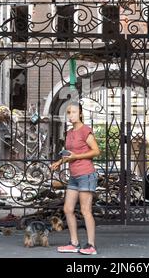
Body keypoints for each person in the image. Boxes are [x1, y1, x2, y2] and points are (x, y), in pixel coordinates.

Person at [51, 102, 101, 255]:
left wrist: (77, 156)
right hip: (74, 176)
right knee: (68, 209)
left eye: (73, 112)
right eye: (68, 112)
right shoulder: (69, 132)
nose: (70, 115)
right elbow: (69, 154)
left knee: (86, 210)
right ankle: (74, 243)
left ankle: (91, 245)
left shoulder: (85, 130)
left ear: (80, 113)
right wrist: (59, 162)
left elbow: (96, 151)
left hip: (86, 174)